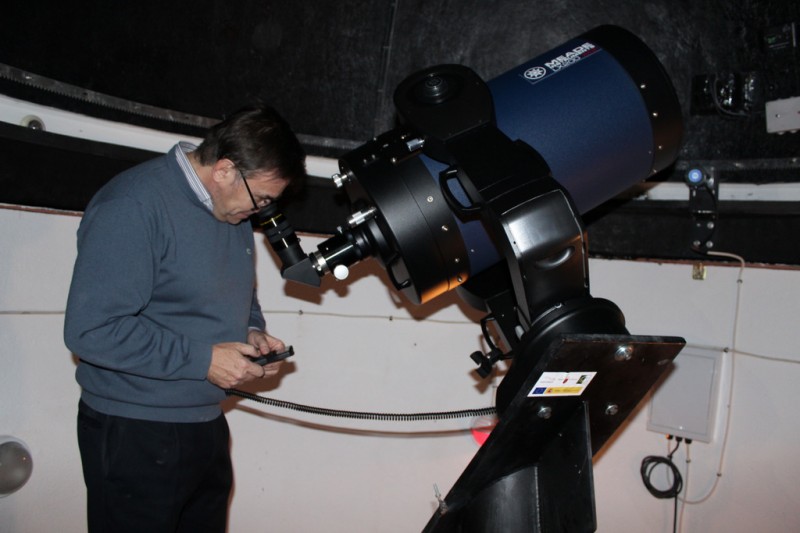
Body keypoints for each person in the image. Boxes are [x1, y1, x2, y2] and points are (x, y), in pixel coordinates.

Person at [63, 104, 306, 533]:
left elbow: (238, 296)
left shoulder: (228, 209)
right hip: (135, 432)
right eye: (263, 198)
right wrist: (203, 360)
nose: (263, 211)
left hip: (204, 426)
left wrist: (251, 331)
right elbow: (91, 329)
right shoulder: (133, 205)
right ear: (226, 169)